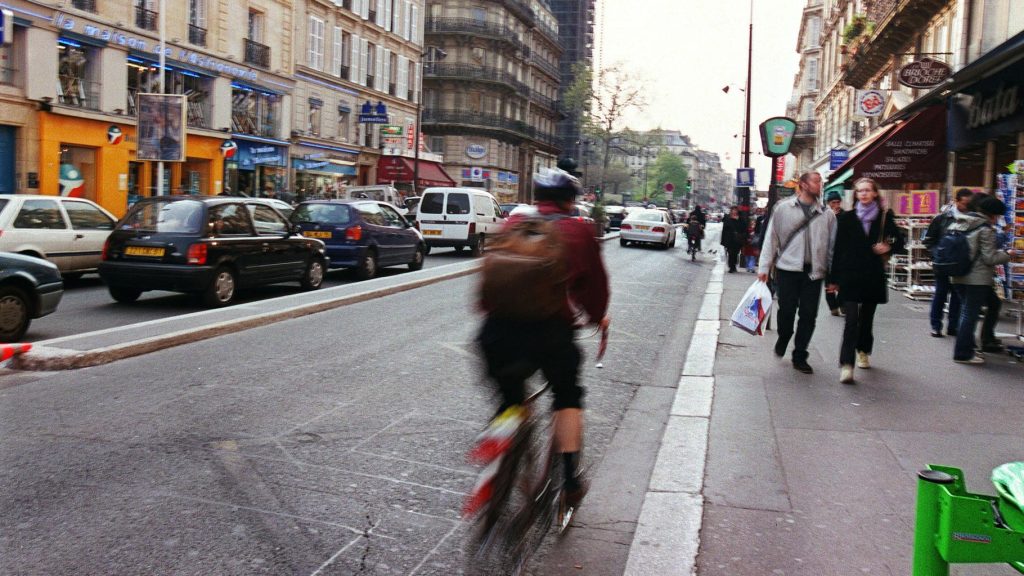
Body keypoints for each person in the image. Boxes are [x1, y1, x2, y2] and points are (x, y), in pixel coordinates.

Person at [477, 168, 610, 507]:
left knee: (510, 398)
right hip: (550, 334)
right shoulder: (579, 232)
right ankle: (569, 480)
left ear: (537, 197)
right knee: (568, 396)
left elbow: (486, 286)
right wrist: (597, 318)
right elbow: (595, 291)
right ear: (570, 201)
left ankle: (499, 448)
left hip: (496, 333)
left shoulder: (513, 225)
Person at [757, 171, 837, 374]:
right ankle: (785, 336)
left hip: (814, 272)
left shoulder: (826, 213)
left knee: (809, 315)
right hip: (787, 269)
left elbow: (831, 247)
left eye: (821, 182)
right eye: (816, 181)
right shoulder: (783, 208)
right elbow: (771, 239)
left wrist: (832, 275)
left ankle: (800, 355)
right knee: (786, 311)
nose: (820, 185)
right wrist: (764, 267)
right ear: (803, 185)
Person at [828, 177, 898, 384]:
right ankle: (846, 365)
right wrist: (833, 278)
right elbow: (837, 250)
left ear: (875, 193)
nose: (864, 194)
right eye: (860, 191)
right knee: (850, 321)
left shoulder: (885, 217)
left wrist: (889, 248)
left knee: (866, 320)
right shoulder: (847, 218)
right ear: (856, 195)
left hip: (873, 275)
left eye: (868, 190)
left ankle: (864, 350)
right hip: (850, 276)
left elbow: (899, 240)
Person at [948, 194, 1015, 364]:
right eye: (998, 216)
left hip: (957, 274)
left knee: (966, 313)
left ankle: (968, 349)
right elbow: (990, 258)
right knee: (969, 315)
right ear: (993, 215)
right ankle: (963, 354)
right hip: (976, 279)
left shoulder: (961, 221)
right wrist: (1008, 255)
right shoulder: (985, 229)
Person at [922, 188, 973, 337]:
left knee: (957, 297)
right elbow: (928, 240)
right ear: (956, 201)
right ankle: (936, 325)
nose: (968, 207)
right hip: (943, 264)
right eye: (965, 203)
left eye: (970, 204)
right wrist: (937, 254)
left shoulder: (972, 219)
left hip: (962, 264)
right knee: (940, 294)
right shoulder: (942, 218)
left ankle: (953, 326)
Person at [824, 190, 845, 316]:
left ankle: (842, 303)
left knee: (843, 282)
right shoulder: (825, 215)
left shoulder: (844, 215)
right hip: (828, 255)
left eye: (838, 202)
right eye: (833, 202)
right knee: (829, 282)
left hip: (842, 254)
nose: (836, 205)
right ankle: (833, 307)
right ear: (828, 203)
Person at [720, 206, 745, 273]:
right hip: (729, 239)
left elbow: (743, 228)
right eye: (733, 210)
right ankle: (731, 266)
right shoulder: (727, 218)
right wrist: (723, 240)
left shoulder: (741, 219)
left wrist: (743, 237)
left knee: (735, 253)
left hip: (737, 239)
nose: (734, 211)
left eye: (735, 210)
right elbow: (724, 230)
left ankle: (733, 265)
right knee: (730, 253)